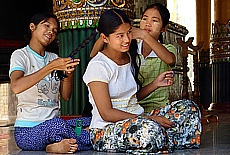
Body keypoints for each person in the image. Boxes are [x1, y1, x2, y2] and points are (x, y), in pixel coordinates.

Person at [83, 9, 201, 154]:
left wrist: (156, 84)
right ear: (105, 38)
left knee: (189, 108)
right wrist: (149, 119)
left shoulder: (129, 57)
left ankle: (161, 140)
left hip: (140, 120)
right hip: (106, 130)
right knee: (148, 130)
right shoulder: (98, 66)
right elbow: (107, 113)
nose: (126, 39)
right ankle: (164, 138)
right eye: (120, 36)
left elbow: (132, 97)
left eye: (128, 33)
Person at [9, 13, 92, 154]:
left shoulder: (53, 58)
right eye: (47, 26)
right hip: (28, 131)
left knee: (87, 121)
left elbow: (66, 96)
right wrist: (51, 67)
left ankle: (63, 143)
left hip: (53, 124)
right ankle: (87, 139)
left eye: (54, 30)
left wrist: (68, 74)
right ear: (32, 27)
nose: (51, 32)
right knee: (59, 125)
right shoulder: (20, 55)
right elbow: (16, 86)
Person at [90, 3, 177, 113]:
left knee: (189, 108)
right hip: (133, 108)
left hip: (159, 108)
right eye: (144, 19)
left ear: (164, 28)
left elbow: (170, 59)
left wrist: (144, 35)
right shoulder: (129, 48)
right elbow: (94, 56)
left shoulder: (167, 49)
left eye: (154, 21)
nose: (148, 24)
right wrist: (112, 32)